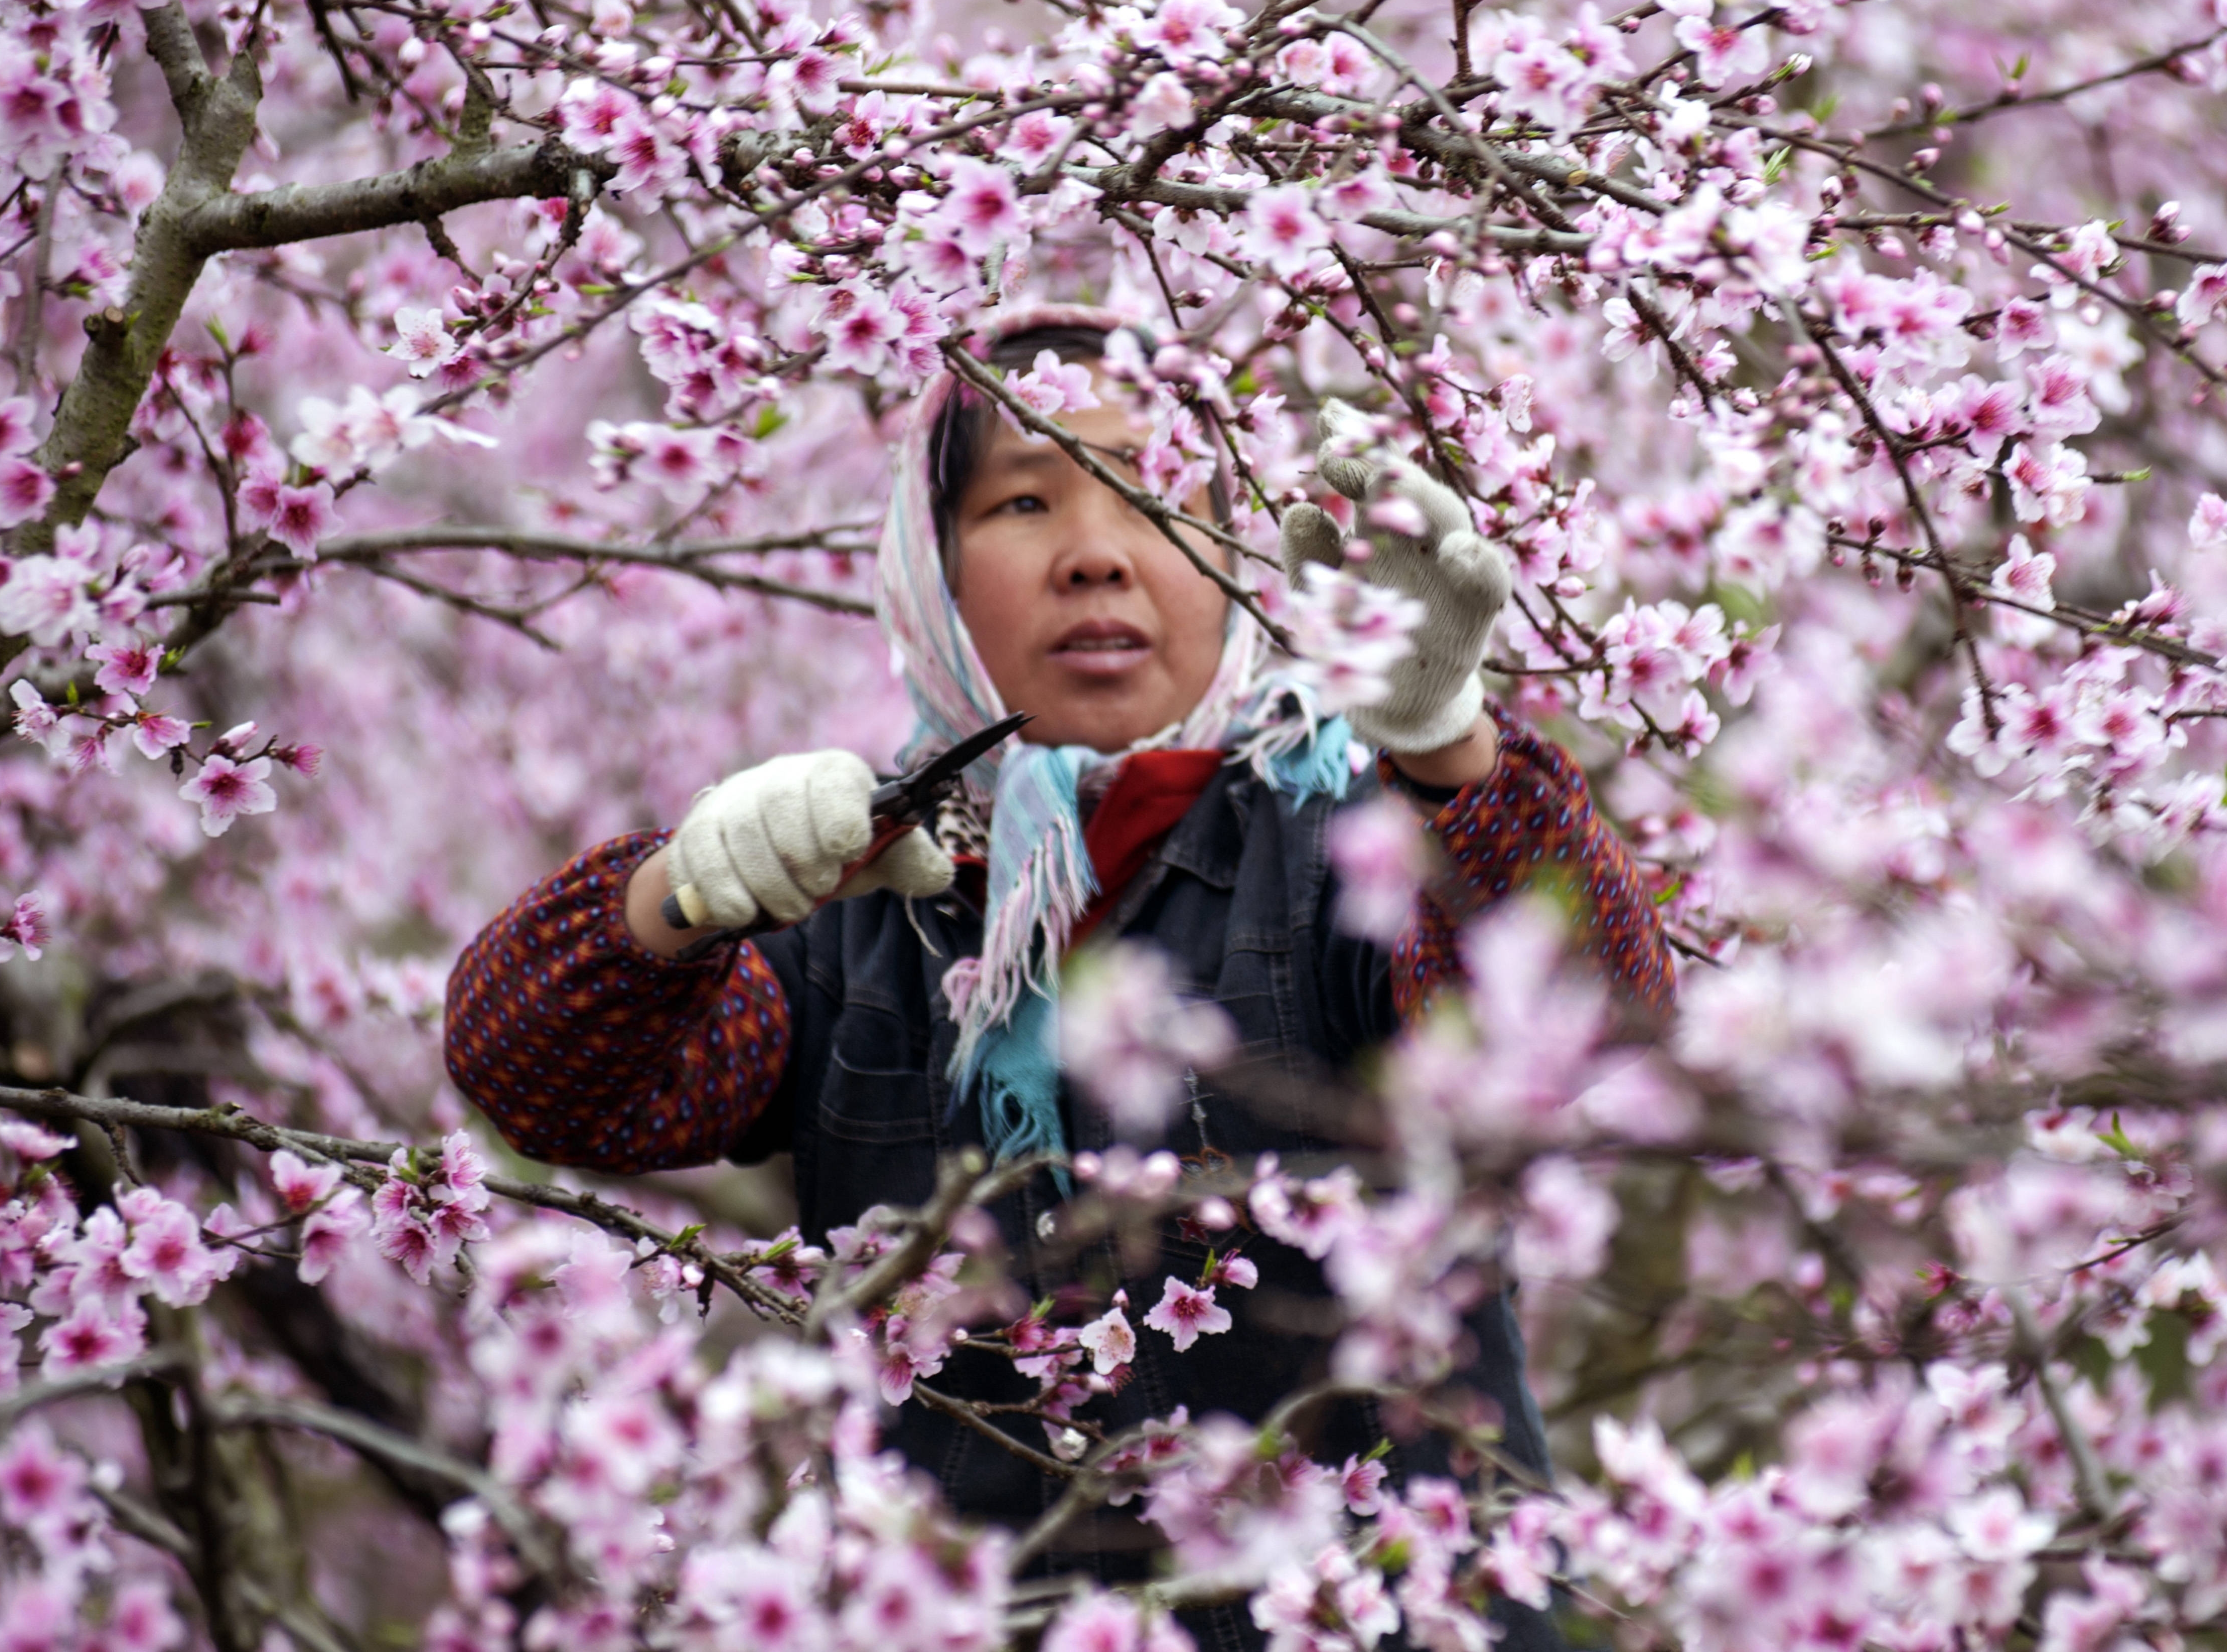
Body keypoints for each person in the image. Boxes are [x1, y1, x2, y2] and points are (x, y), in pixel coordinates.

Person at [443, 305, 1673, 1647]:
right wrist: (676, 892)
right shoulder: (852, 881)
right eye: (1024, 500)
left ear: (1234, 554)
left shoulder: (1356, 848)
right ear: (933, 566)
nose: (1095, 556)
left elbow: (1596, 1061)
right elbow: (543, 1082)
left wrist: (1450, 750)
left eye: (1152, 493)